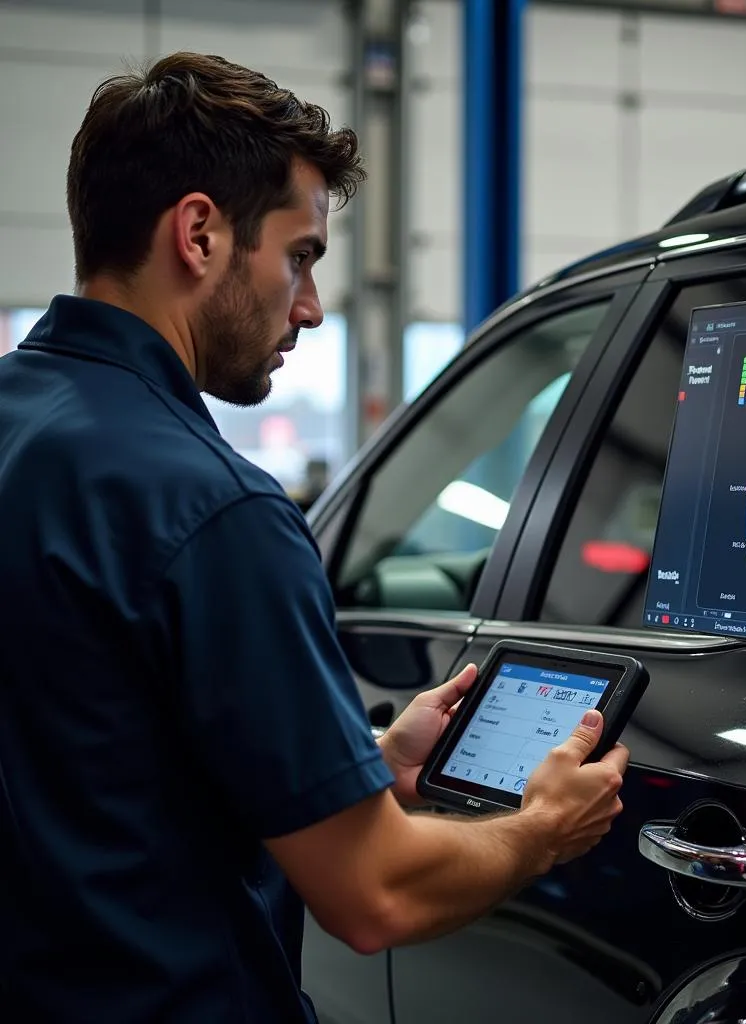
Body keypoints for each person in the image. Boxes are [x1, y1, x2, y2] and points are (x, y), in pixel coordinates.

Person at [0, 53, 629, 1023]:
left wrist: (365, 760)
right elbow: (373, 891)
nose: (310, 306)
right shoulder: (218, 512)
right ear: (199, 232)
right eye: (298, 255)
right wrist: (543, 828)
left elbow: (100, 753)